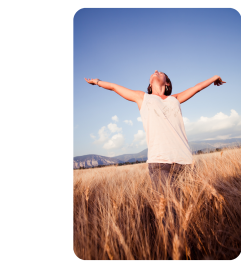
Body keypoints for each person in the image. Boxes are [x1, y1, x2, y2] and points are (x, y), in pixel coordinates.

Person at [85, 70, 226, 194]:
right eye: (154, 72)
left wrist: (215, 77)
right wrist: (97, 82)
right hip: (160, 163)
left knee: (192, 207)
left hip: (186, 161)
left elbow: (197, 88)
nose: (156, 70)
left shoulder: (174, 99)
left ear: (167, 84)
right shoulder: (142, 97)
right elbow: (114, 87)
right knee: (171, 213)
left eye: (161, 72)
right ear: (150, 85)